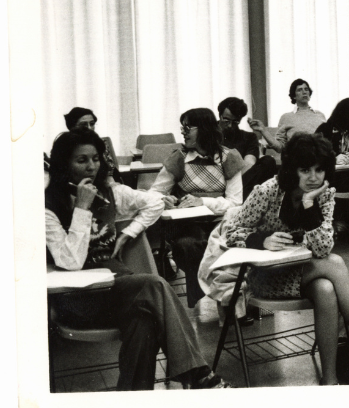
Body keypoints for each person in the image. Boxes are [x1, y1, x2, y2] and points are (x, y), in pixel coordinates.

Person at [209, 133, 349, 385]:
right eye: (305, 170)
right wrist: (261, 240)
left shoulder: (324, 195)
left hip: (307, 271)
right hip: (266, 276)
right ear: (292, 169)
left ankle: (330, 382)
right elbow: (231, 233)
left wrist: (308, 205)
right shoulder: (267, 191)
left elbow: (322, 247)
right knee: (336, 263)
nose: (313, 177)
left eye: (319, 170)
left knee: (327, 289)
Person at [45, 129, 230, 390]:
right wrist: (82, 209)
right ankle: (198, 375)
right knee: (154, 286)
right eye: (81, 160)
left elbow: (154, 203)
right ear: (65, 164)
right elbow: (71, 262)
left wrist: (128, 233)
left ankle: (131, 396)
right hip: (79, 297)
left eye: (96, 158)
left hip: (120, 288)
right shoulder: (48, 206)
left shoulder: (110, 192)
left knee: (144, 325)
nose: (91, 167)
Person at [149, 108, 244, 308]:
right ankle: (217, 297)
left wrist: (204, 202)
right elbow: (154, 192)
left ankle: (228, 299)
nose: (183, 132)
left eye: (187, 127)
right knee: (189, 246)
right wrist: (162, 200)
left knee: (222, 245)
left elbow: (236, 203)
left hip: (220, 222)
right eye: (182, 127)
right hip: (186, 224)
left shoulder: (229, 157)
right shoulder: (178, 158)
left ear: (205, 129)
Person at [217, 97, 278, 200]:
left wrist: (233, 182)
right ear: (220, 115)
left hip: (239, 183)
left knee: (268, 161)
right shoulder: (207, 133)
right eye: (226, 120)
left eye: (235, 122)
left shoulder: (248, 137)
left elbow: (249, 164)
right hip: (215, 182)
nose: (230, 125)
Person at [315, 97, 349, 191]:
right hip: (329, 178)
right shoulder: (325, 130)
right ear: (347, 117)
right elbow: (315, 157)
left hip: (347, 177)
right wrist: (334, 159)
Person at [258, 79, 327, 153]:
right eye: (299, 90)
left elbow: (327, 142)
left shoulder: (320, 115)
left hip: (320, 157)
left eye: (306, 89)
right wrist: (263, 130)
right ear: (294, 96)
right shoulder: (286, 117)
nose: (304, 92)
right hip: (297, 158)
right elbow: (280, 147)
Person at [63, 107, 121, 183]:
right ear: (71, 127)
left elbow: (110, 172)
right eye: (83, 125)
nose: (89, 128)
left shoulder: (100, 143)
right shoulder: (64, 145)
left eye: (92, 124)